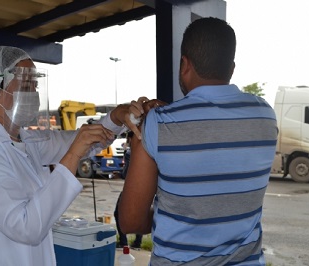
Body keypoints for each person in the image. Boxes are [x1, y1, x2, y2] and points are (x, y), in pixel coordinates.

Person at [0, 46, 147, 266]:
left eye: (34, 85)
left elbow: (79, 139)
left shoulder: (25, 140)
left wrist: (117, 117)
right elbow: (25, 227)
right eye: (25, 85)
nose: (32, 94)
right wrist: (73, 155)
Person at [119, 17, 278, 265]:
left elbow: (130, 220)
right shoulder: (265, 115)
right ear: (231, 68)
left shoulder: (159, 124)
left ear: (184, 64)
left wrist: (174, 216)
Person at [113, 131, 143, 249]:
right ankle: (137, 243)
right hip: (144, 189)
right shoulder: (144, 151)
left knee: (118, 213)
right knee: (141, 214)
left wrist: (118, 174)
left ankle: (123, 242)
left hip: (131, 189)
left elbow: (127, 174)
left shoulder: (129, 153)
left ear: (130, 139)